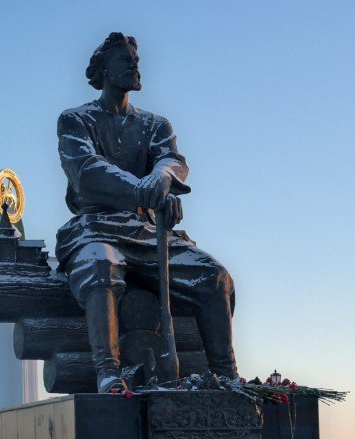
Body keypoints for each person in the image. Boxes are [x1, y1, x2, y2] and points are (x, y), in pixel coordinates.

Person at [56, 32, 238, 393]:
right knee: (99, 265)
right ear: (104, 70)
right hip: (97, 227)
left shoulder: (156, 125)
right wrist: (142, 190)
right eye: (126, 60)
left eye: (136, 60)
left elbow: (172, 161)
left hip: (145, 231)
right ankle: (109, 371)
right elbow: (86, 172)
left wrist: (162, 179)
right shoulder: (75, 120)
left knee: (215, 278)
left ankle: (225, 376)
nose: (135, 65)